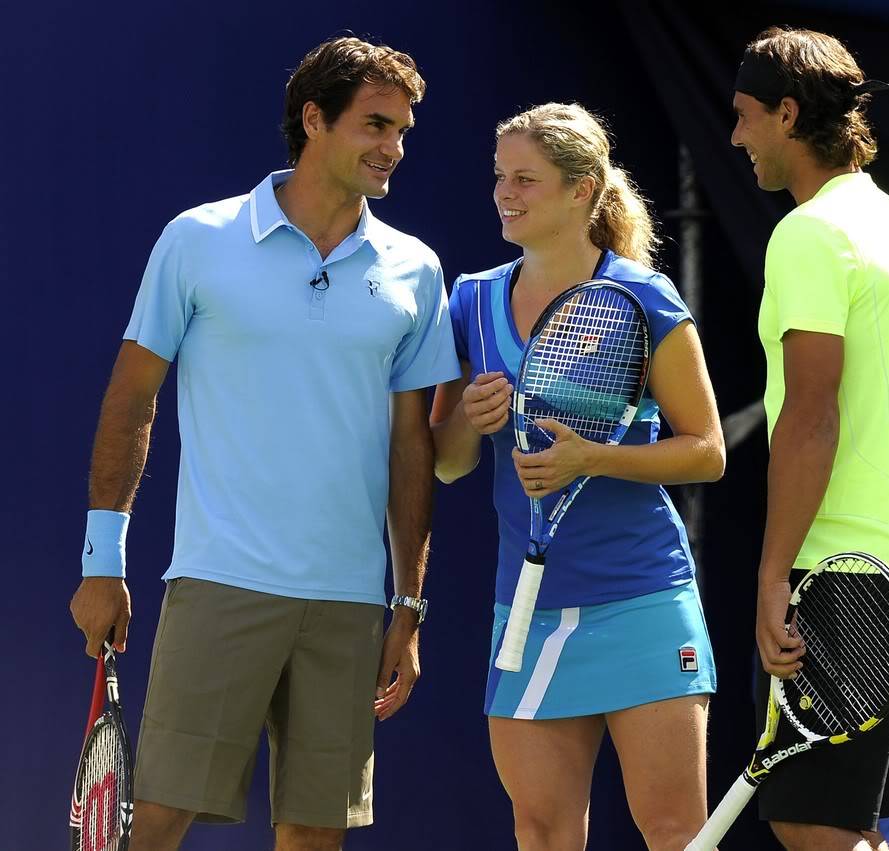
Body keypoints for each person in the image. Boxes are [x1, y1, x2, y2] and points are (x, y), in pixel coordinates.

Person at [68, 36, 459, 851]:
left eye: (403, 131)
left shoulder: (417, 269)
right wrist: (102, 561)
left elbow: (411, 447)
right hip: (220, 581)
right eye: (375, 125)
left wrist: (408, 603)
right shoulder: (196, 239)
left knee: (317, 833)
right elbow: (131, 399)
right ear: (313, 120)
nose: (393, 148)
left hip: (350, 602)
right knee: (159, 821)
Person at [430, 102, 725, 851]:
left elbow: (706, 450)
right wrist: (471, 414)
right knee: (542, 830)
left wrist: (594, 458)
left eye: (526, 178)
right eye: (500, 176)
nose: (505, 193)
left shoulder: (647, 298)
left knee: (675, 833)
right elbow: (448, 460)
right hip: (526, 610)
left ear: (583, 189)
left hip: (643, 599)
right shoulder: (470, 300)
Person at [730, 27, 889, 851]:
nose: (736, 137)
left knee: (813, 821)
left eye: (747, 116)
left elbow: (812, 416)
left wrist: (772, 570)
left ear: (788, 115)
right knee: (831, 821)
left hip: (842, 571)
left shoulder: (811, 233)